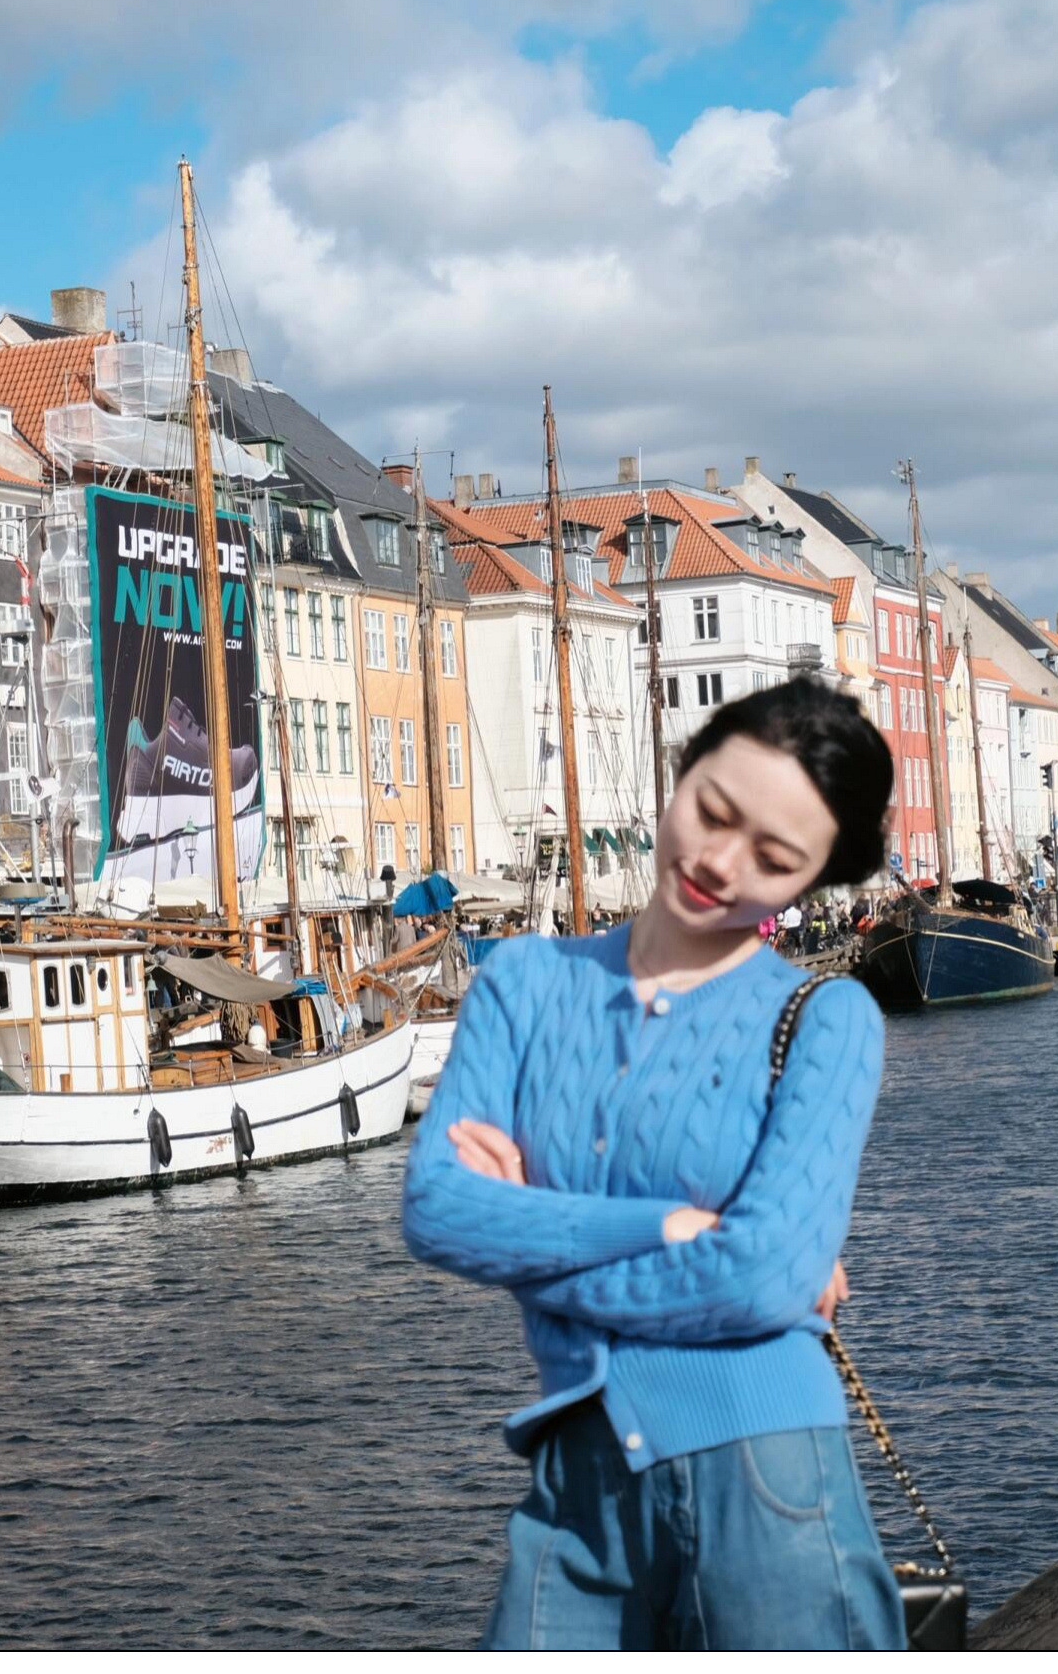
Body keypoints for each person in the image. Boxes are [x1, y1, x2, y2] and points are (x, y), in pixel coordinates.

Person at [402, 679, 903, 1651]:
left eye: (774, 859)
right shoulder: (524, 983)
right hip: (576, 1470)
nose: (720, 862)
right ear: (682, 771)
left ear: (812, 881)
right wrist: (664, 1228)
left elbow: (763, 1281)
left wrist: (530, 1241)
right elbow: (436, 1210)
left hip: (765, 1472)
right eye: (712, 811)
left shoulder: (825, 1019)